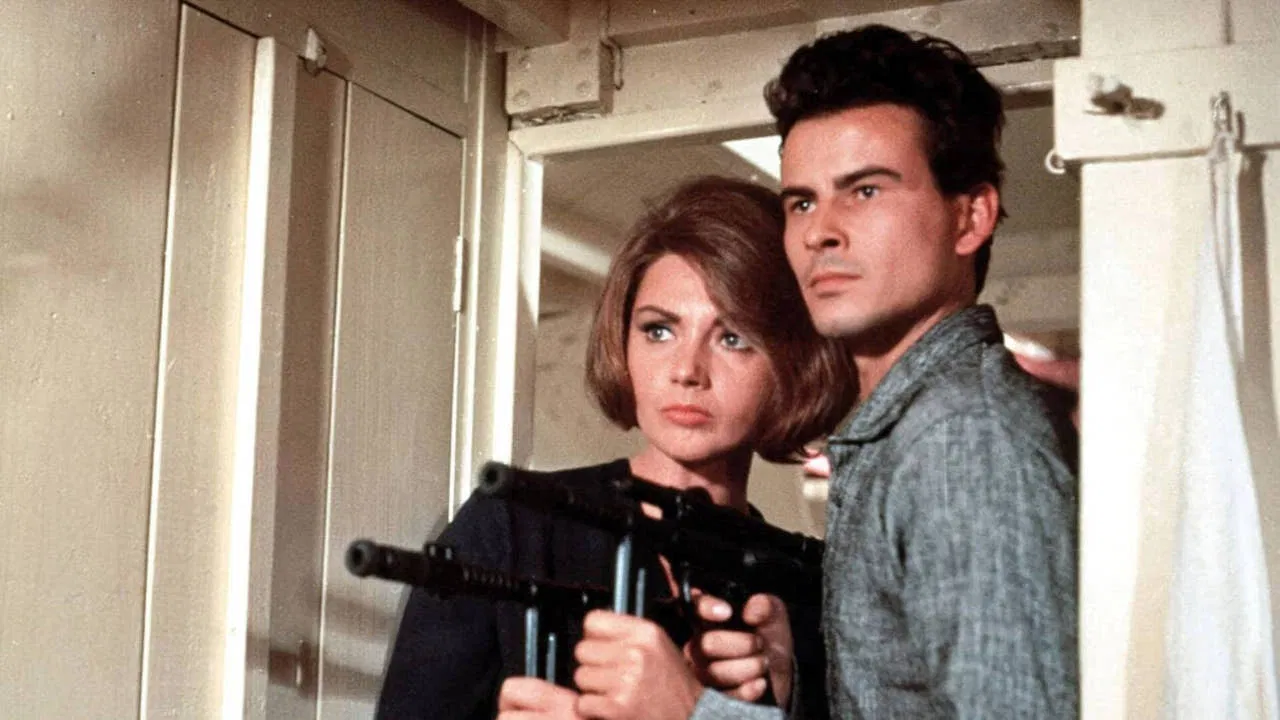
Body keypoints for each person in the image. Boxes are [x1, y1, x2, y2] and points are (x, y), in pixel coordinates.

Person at [513, 25, 1080, 720]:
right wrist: (789, 693)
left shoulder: (963, 438)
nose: (820, 231)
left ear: (970, 217)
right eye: (802, 201)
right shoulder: (905, 433)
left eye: (865, 191)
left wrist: (691, 714)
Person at [376, 175, 857, 719]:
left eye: (732, 338)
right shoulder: (514, 527)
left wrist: (788, 693)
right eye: (659, 330)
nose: (686, 370)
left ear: (792, 363)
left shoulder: (808, 585)